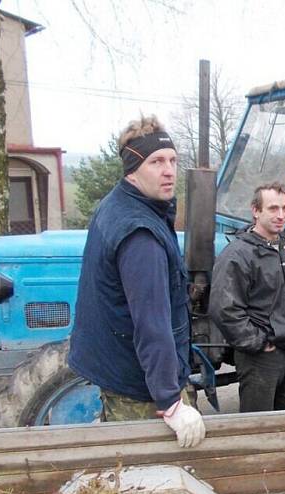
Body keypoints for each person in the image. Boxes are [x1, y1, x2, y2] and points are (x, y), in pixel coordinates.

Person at [68, 115, 205, 448]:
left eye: (172, 160)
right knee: (152, 484)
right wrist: (171, 402)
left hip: (117, 372)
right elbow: (151, 324)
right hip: (140, 389)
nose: (169, 170)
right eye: (156, 162)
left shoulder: (114, 206)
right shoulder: (140, 235)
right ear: (133, 168)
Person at [209, 182, 285, 412]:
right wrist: (257, 342)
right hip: (261, 357)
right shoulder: (238, 254)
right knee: (257, 425)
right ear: (256, 211)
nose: (281, 215)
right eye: (273, 209)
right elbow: (223, 308)